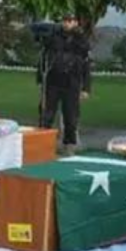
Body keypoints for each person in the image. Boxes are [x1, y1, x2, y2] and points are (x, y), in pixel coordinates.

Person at [38, 13, 92, 155]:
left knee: (71, 116)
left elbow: (87, 66)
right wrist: (40, 79)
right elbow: (43, 58)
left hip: (72, 82)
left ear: (75, 23)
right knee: (46, 114)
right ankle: (42, 143)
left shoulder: (82, 41)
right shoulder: (54, 37)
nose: (67, 23)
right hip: (53, 81)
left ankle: (69, 145)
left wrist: (86, 88)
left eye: (71, 21)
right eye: (65, 20)